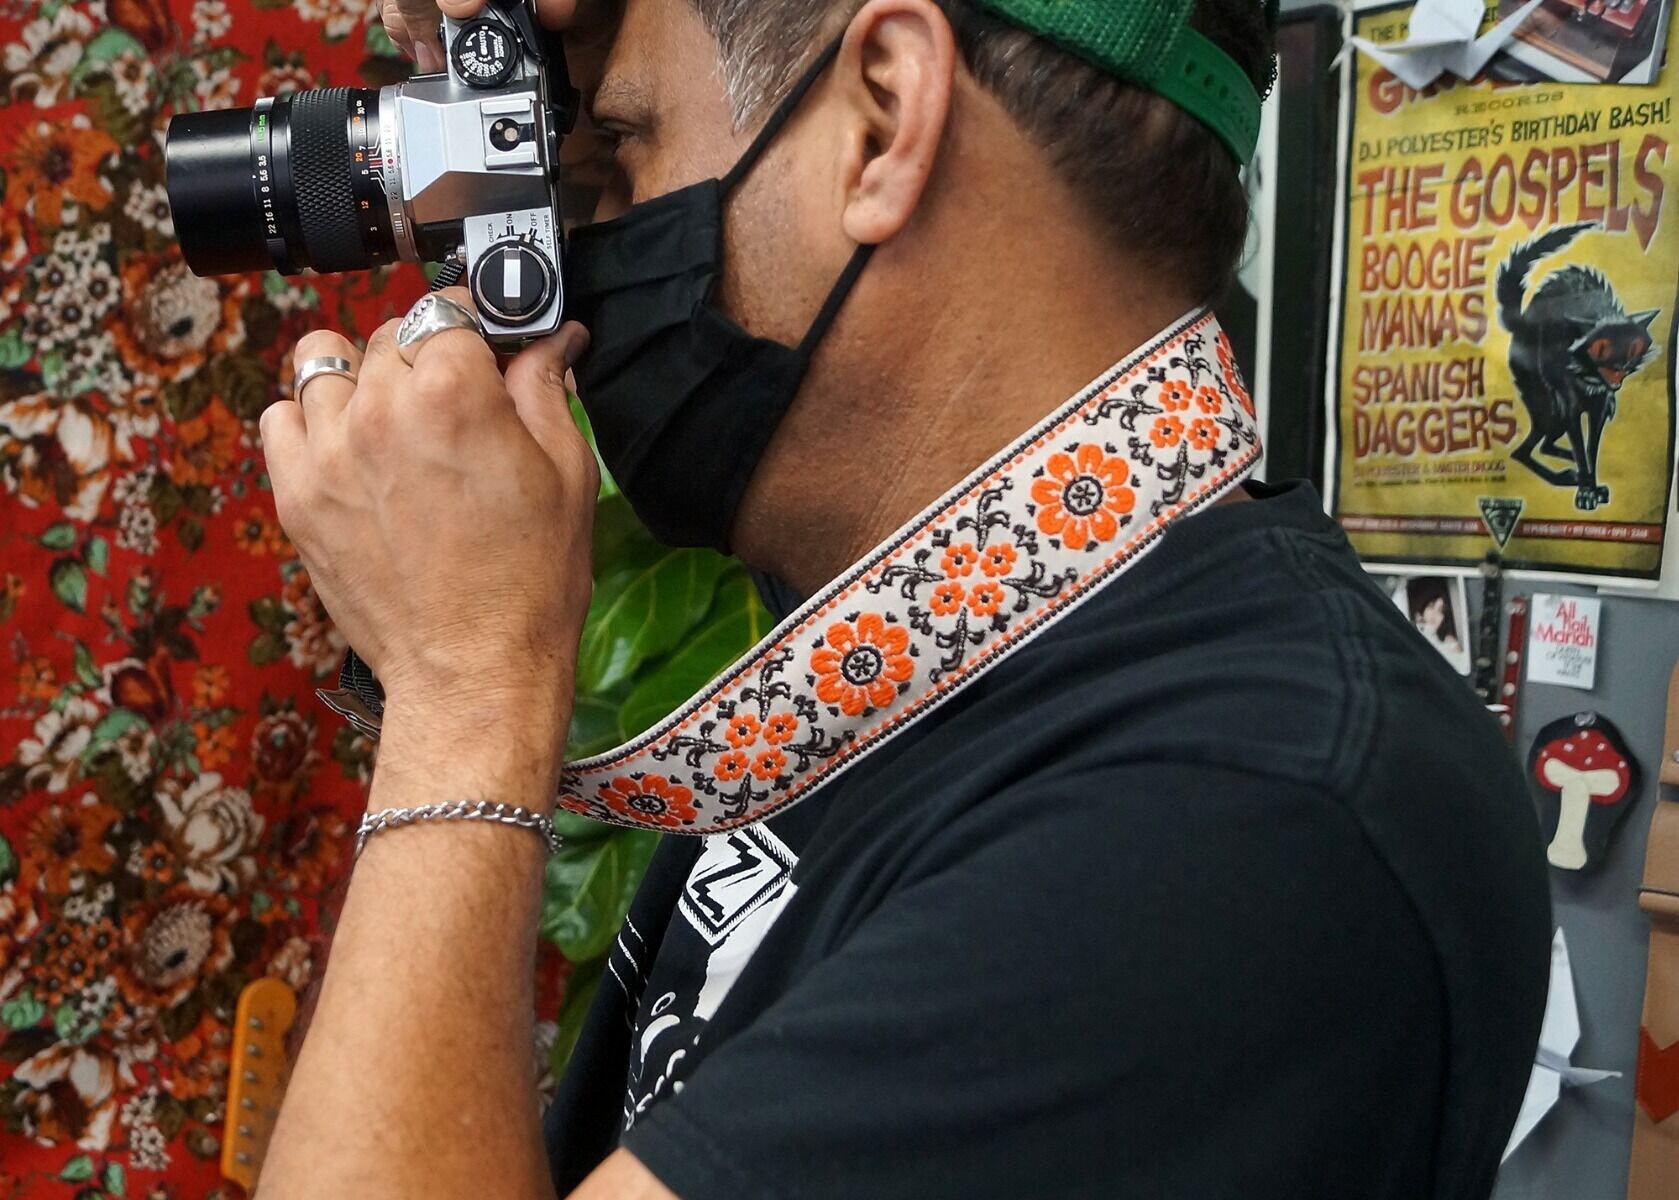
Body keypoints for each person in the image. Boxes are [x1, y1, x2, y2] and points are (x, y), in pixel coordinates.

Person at [256, 1, 1553, 1197]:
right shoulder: (931, 647)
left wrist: (466, 690)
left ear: (881, 118)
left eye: (629, 147)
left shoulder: (1240, 825)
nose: (591, 257)